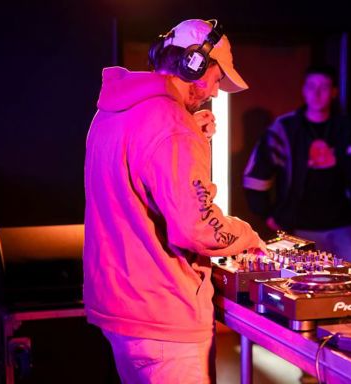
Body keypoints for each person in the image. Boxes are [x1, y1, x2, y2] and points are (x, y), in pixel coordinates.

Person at [83, 19, 265, 383]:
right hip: (164, 318)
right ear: (197, 65)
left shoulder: (113, 111)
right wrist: (246, 236)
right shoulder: (171, 124)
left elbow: (137, 176)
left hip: (121, 309)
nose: (215, 92)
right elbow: (198, 229)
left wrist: (189, 135)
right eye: (217, 79)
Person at [242, 64, 351, 267]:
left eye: (324, 87)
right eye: (311, 86)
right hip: (300, 223)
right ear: (304, 90)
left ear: (334, 92)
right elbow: (257, 173)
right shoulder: (285, 129)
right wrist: (266, 213)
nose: (317, 93)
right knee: (305, 279)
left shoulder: (348, 128)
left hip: (343, 222)